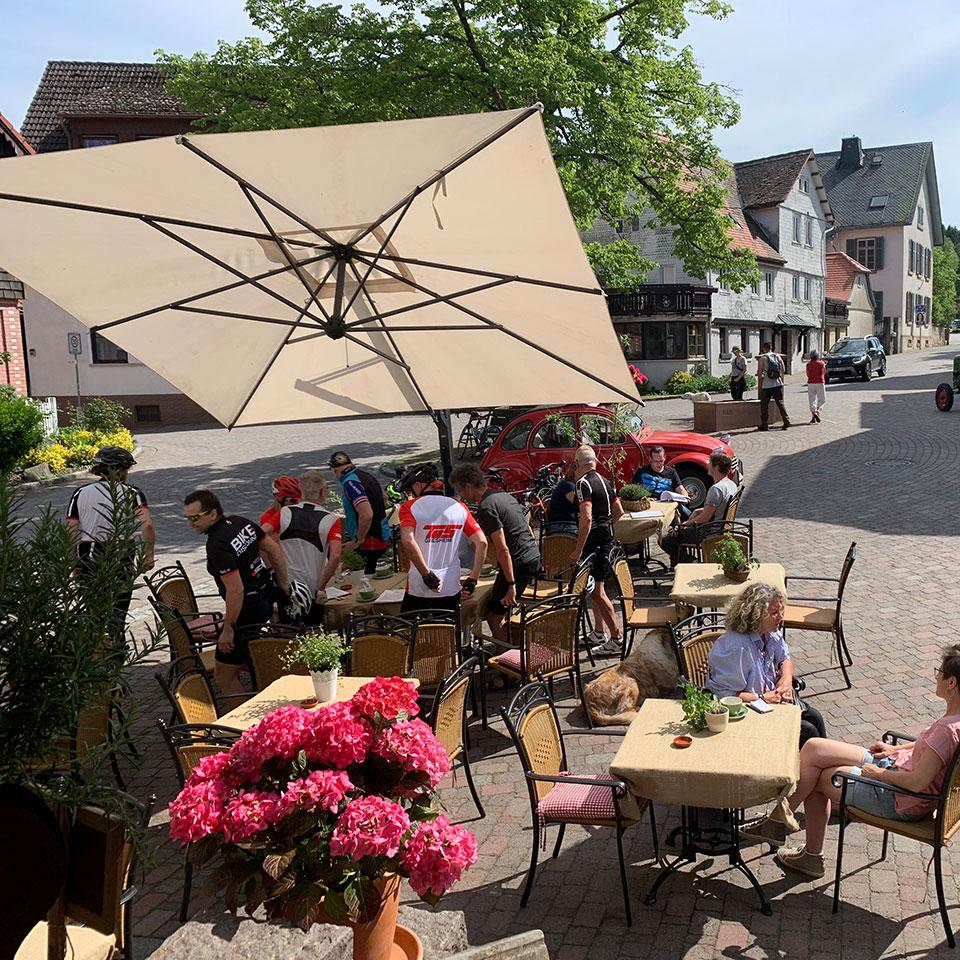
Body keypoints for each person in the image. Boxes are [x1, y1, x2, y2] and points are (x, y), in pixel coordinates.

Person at [741, 644, 960, 880]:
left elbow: (917, 782)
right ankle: (779, 823)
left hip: (897, 797)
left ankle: (805, 851)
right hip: (895, 768)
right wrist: (894, 748)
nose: (936, 675)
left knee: (817, 778)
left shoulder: (947, 731)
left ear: (951, 683)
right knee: (814, 747)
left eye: (939, 671)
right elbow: (928, 749)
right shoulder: (954, 720)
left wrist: (877, 774)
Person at [183, 489, 290, 697]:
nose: (191, 524)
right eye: (188, 518)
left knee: (223, 676)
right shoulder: (241, 522)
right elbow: (273, 549)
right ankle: (266, 690)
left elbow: (235, 588)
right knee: (250, 662)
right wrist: (283, 583)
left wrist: (228, 628)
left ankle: (243, 728)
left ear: (213, 514)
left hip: (246, 614)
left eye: (195, 518)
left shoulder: (217, 545)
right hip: (264, 599)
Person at [706, 582, 826, 745]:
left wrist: (786, 679)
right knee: (807, 731)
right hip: (750, 710)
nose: (781, 617)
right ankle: (806, 767)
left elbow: (785, 659)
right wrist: (762, 698)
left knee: (815, 717)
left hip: (773, 701)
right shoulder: (737, 647)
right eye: (774, 613)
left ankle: (819, 765)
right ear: (757, 615)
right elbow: (723, 695)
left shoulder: (770, 635)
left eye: (781, 611)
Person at [67, 445, 156, 637]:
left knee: (92, 611)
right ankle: (116, 652)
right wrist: (149, 554)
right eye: (125, 469)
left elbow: (71, 530)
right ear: (119, 470)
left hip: (88, 553)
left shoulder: (80, 493)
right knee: (118, 611)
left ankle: (94, 655)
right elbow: (147, 525)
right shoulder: (133, 493)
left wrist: (72, 559)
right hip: (121, 552)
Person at [449, 461, 541, 644]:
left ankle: (508, 658)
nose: (462, 497)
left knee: (493, 616)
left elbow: (502, 548)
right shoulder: (501, 495)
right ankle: (511, 649)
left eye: (461, 491)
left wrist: (511, 585)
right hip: (531, 554)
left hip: (519, 562)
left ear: (468, 486)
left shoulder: (486, 507)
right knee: (500, 609)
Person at [396, 462, 486, 615]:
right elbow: (482, 543)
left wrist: (427, 575)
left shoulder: (410, 507)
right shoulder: (459, 507)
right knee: (448, 635)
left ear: (418, 485)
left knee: (410, 635)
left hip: (419, 587)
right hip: (450, 587)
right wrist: (473, 579)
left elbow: (407, 540)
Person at [569, 445, 622, 657]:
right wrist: (608, 527)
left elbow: (587, 518)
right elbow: (619, 511)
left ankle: (617, 638)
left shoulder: (582, 484)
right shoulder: (606, 482)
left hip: (595, 543)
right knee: (595, 589)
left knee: (599, 592)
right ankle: (599, 633)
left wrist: (578, 550)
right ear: (595, 463)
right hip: (607, 538)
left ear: (577, 464)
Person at [275, 469, 342, 625]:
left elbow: (262, 535)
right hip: (312, 586)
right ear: (322, 492)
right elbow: (336, 556)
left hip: (287, 583)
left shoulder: (283, 512)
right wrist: (321, 587)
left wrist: (275, 569)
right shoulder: (331, 520)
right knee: (312, 633)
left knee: (289, 632)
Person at [660, 448, 738, 567]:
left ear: (717, 467)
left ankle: (691, 563)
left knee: (666, 540)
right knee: (681, 516)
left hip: (710, 531)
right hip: (721, 526)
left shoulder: (716, 489)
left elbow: (704, 519)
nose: (708, 465)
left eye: (710, 463)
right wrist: (697, 511)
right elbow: (718, 508)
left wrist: (683, 525)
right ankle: (679, 562)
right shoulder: (731, 484)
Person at [328, 451, 392, 573]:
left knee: (365, 583)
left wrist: (357, 541)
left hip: (368, 542)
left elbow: (367, 515)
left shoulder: (350, 483)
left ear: (334, 470)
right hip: (382, 535)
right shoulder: (365, 475)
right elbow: (384, 497)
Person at [546, 462, 579, 536]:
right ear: (575, 471)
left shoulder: (567, 483)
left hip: (563, 523)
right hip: (563, 525)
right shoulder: (568, 486)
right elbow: (578, 503)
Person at [806, 348, 826, 424]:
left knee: (812, 400)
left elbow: (807, 374)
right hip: (820, 382)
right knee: (822, 400)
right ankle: (817, 411)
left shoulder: (808, 364)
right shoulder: (821, 363)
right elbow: (824, 372)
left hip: (810, 383)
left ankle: (813, 416)